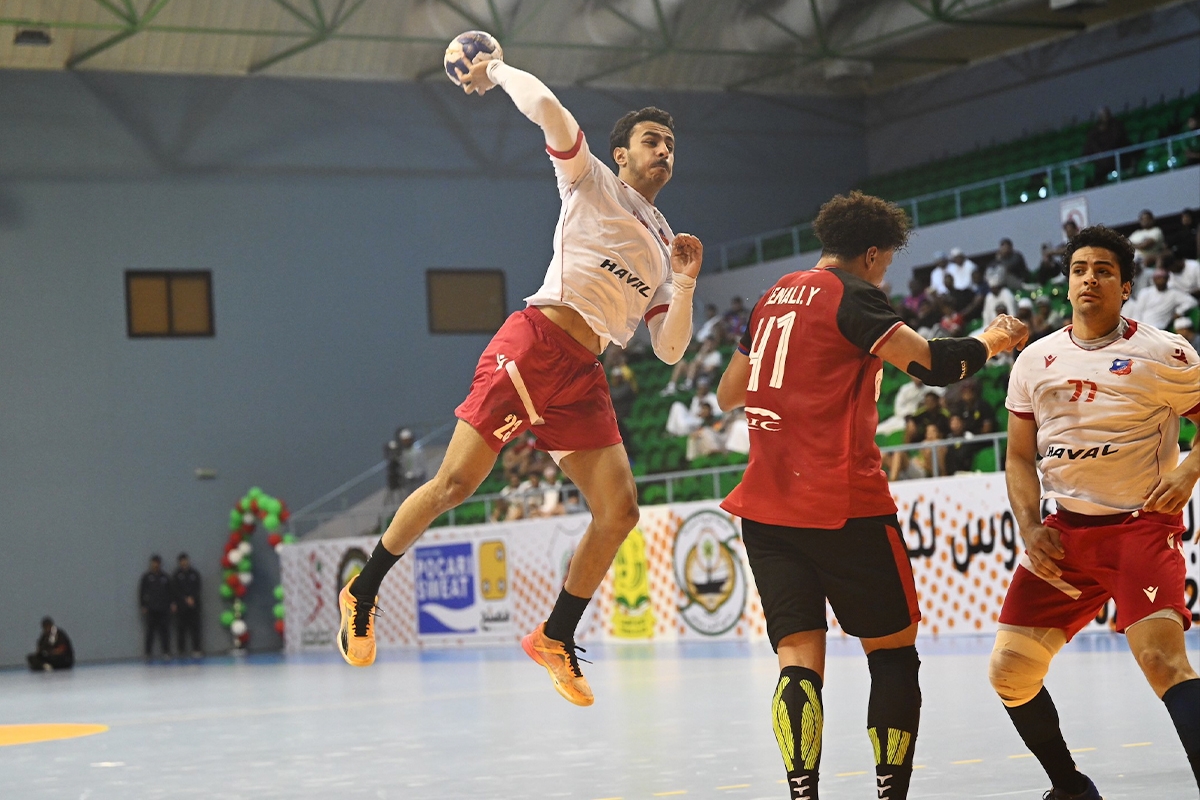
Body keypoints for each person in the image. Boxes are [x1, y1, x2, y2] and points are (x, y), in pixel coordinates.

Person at [335, 54, 703, 708]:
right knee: (454, 485)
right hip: (533, 346)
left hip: (584, 374)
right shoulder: (589, 179)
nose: (664, 151)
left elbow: (671, 351)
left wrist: (686, 284)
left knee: (620, 510)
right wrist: (498, 69)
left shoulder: (665, 240)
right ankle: (363, 591)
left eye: (671, 144)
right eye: (653, 140)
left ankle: (555, 636)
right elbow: (549, 110)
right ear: (621, 154)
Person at [715, 190, 1027, 800]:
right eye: (887, 262)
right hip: (844, 505)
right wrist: (994, 339)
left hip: (766, 511)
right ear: (873, 254)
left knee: (798, 659)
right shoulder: (854, 295)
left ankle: (802, 793)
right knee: (891, 655)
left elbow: (730, 393)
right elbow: (933, 366)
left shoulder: (772, 296)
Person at [988, 225, 1200, 799]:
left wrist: (1188, 470)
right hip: (1064, 534)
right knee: (1010, 672)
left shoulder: (1165, 352)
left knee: (1161, 661)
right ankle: (1072, 791)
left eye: (1103, 270)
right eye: (1079, 270)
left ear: (1125, 286)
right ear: (1066, 284)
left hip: (1140, 528)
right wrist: (1030, 526)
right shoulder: (1035, 360)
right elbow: (1017, 456)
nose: (1089, 279)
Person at [1123, 266, 1198, 329]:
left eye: (1163, 278)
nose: (1161, 280)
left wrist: (1179, 312)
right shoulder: (1145, 292)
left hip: (1160, 329)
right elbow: (1138, 312)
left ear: (1167, 279)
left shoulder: (1174, 293)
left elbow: (1192, 302)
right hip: (1143, 327)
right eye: (1158, 278)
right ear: (1154, 279)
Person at [139, 554, 174, 661]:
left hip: (163, 608)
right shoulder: (146, 577)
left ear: (160, 564)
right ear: (151, 564)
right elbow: (142, 592)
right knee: (150, 631)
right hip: (151, 608)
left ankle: (166, 651)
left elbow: (171, 592)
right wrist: (143, 605)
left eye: (157, 563)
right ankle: (148, 652)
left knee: (165, 631)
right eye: (154, 563)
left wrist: (172, 603)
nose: (155, 565)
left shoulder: (165, 577)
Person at [172, 553, 203, 658]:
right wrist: (184, 599)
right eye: (182, 561)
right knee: (181, 629)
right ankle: (181, 650)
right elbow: (175, 590)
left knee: (195, 628)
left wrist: (192, 598)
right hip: (181, 606)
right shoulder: (176, 575)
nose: (184, 562)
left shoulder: (194, 574)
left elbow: (198, 588)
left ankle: (196, 649)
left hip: (194, 605)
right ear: (180, 562)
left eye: (185, 560)